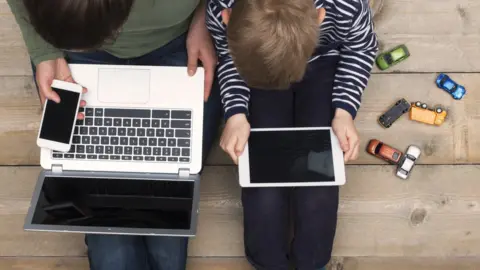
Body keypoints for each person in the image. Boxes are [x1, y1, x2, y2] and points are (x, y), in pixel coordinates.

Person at [7, 0, 221, 269]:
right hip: (69, 38)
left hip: (176, 41)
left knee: (167, 247)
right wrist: (45, 51)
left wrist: (205, 19)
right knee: (115, 255)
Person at [206, 0, 378, 269]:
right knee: (262, 187)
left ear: (320, 17)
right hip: (259, 67)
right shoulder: (223, 7)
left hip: (323, 61)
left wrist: (344, 110)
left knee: (319, 185)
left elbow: (361, 47)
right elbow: (230, 54)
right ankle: (268, 262)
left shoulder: (346, 5)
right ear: (227, 18)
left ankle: (312, 262)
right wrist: (236, 113)